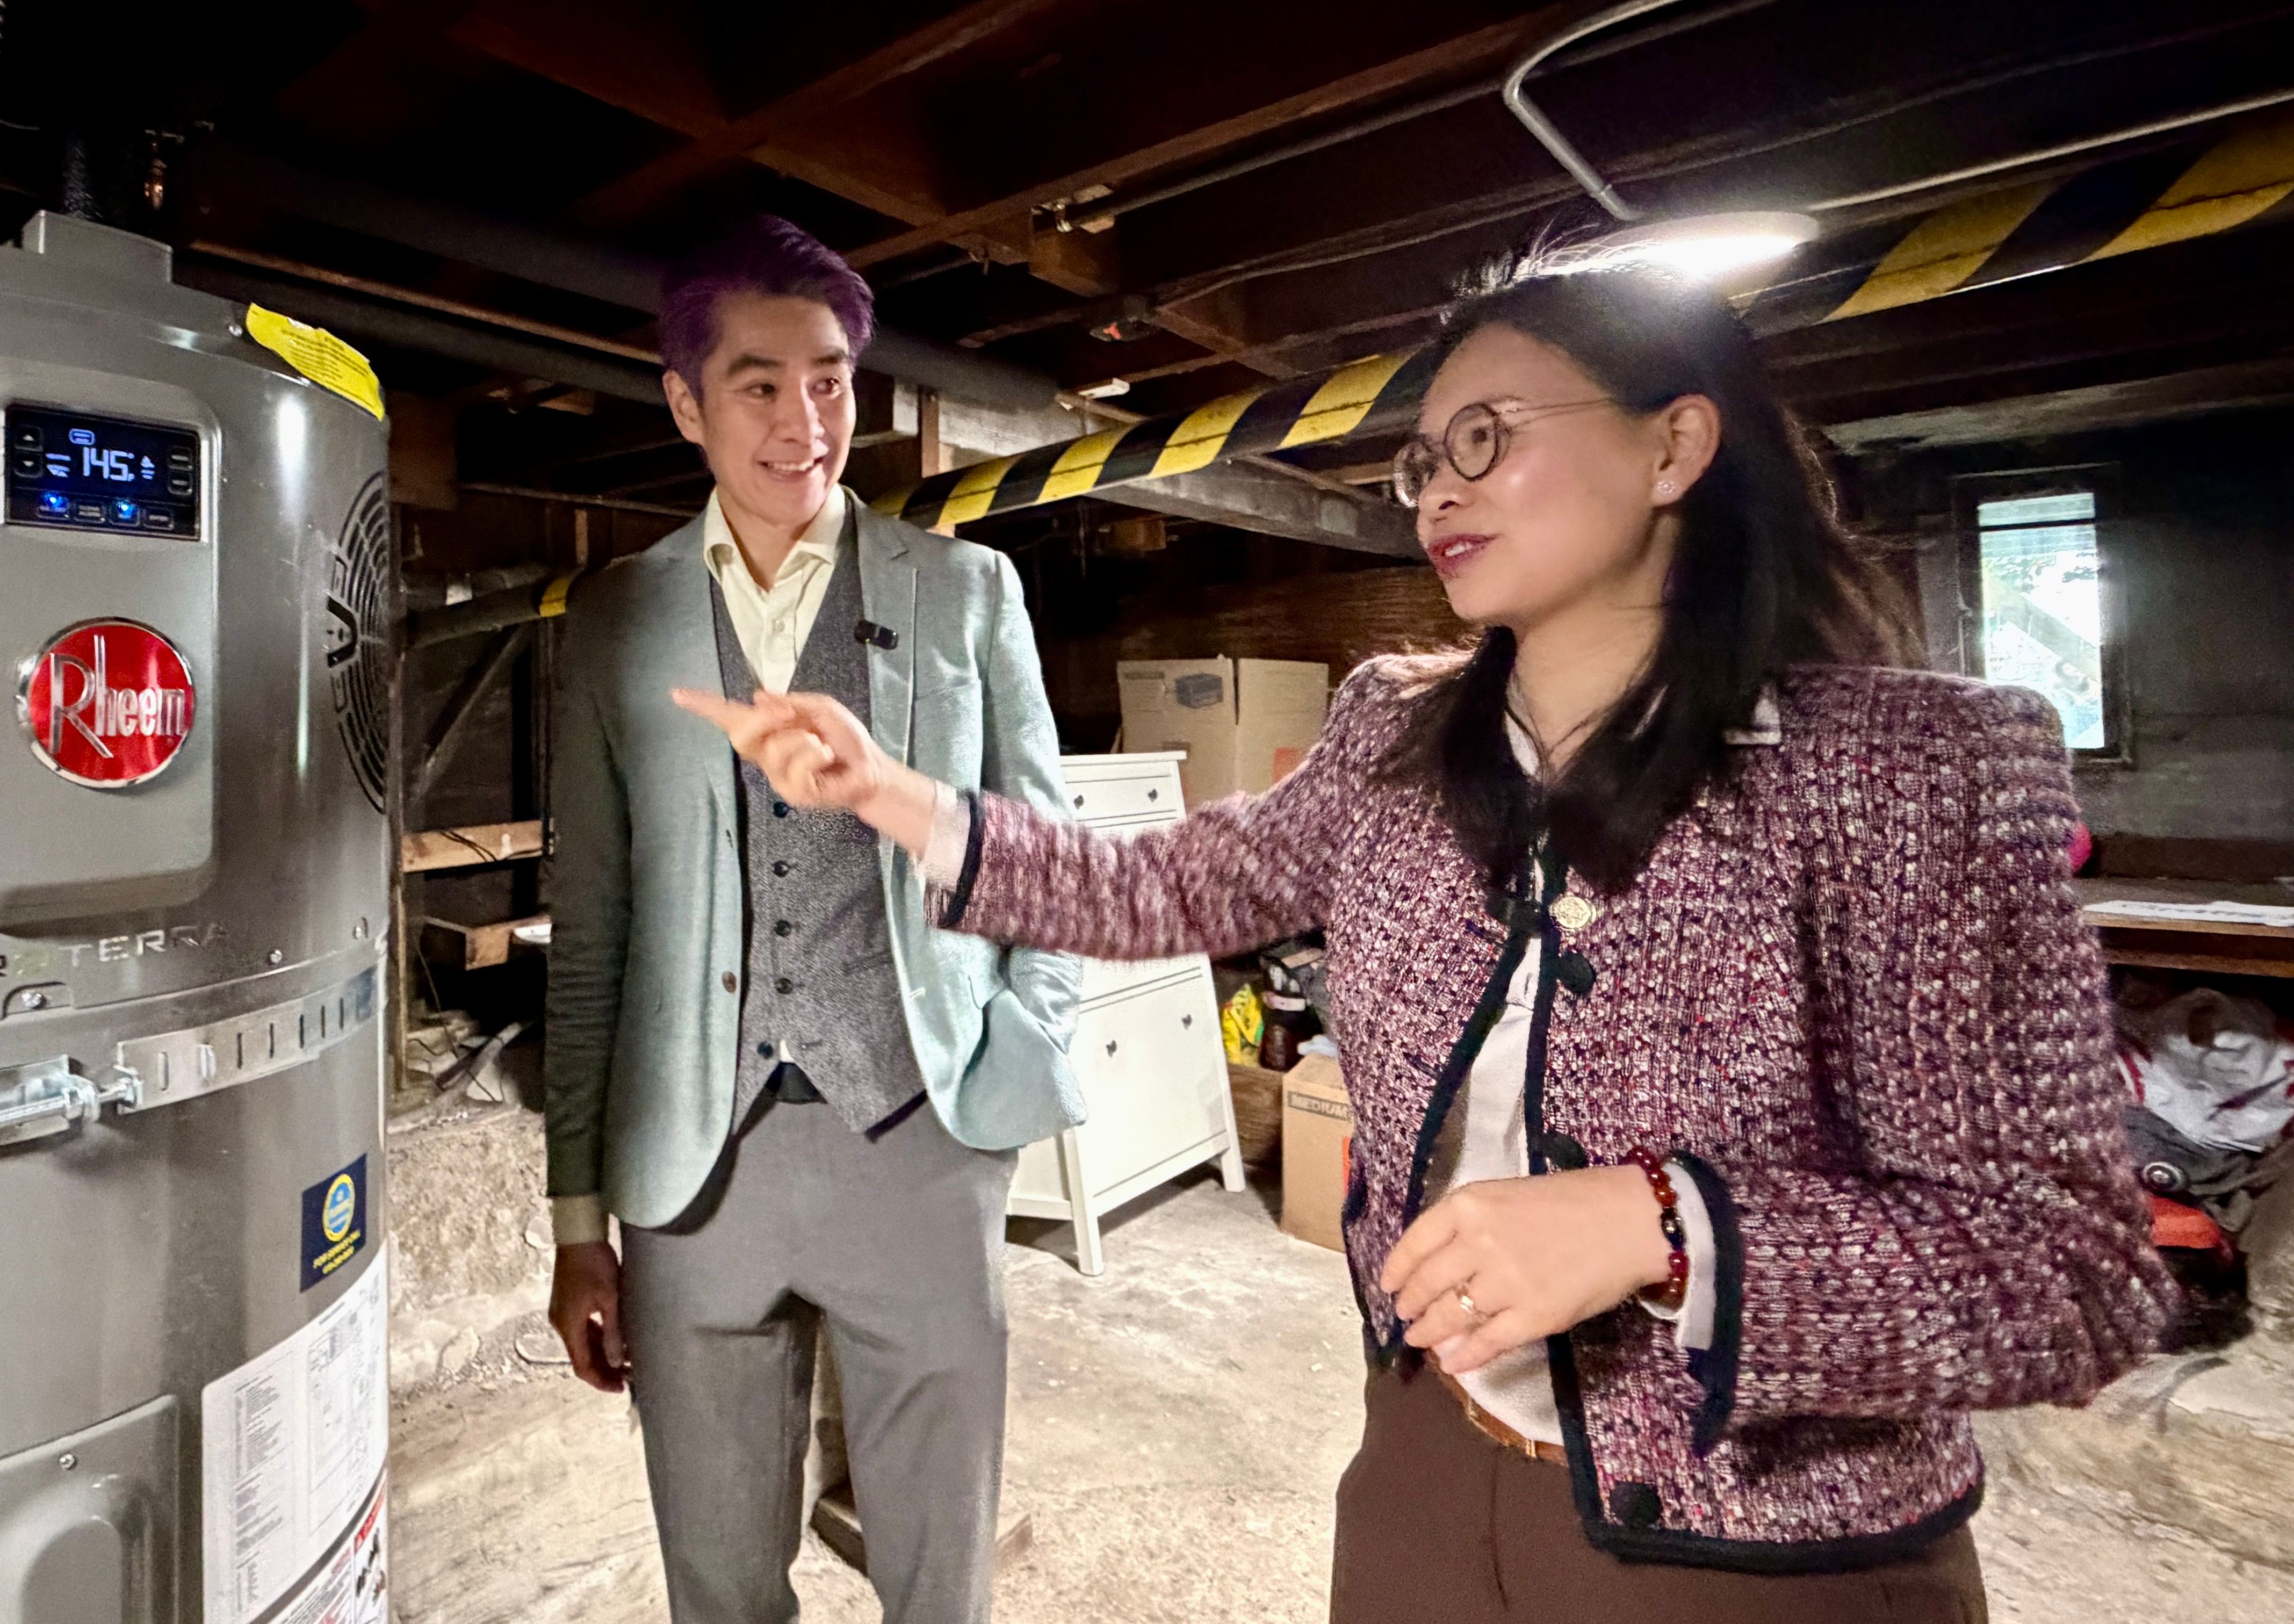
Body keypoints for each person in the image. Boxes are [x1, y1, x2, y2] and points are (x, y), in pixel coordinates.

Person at [679, 259, 2170, 1622]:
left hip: (1763, 1546)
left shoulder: (1909, 769)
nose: (1435, 492)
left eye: (1489, 436)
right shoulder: (1394, 729)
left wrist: (1670, 1229)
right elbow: (1163, 888)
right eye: (1420, 457)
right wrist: (889, 794)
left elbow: (2073, 1276)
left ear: (1676, 446)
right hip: (1422, 1477)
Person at [543, 214, 1081, 1624]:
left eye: (833, 380)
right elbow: (591, 933)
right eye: (761, 385)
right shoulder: (616, 622)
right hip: (689, 1171)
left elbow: (1046, 861)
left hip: (923, 1141)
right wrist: (578, 1219)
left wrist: (1017, 1057)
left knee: (937, 1576)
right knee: (717, 1582)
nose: (806, 421)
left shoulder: (966, 595)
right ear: (686, 401)